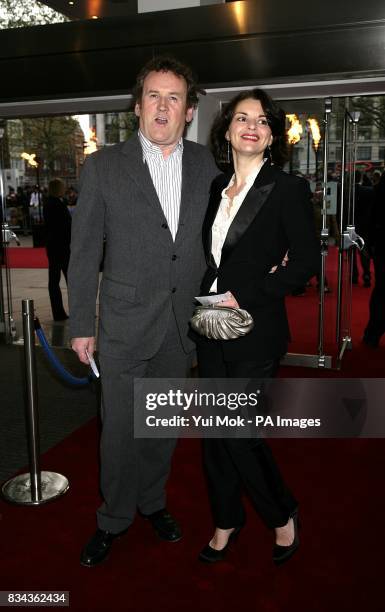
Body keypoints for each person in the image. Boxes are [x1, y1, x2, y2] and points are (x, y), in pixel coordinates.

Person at [68, 56, 218, 567]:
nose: (162, 106)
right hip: (123, 326)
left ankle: (153, 503)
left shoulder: (207, 168)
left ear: (189, 110)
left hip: (182, 326)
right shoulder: (104, 167)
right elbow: (84, 252)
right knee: (119, 431)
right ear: (137, 108)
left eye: (173, 97)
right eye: (153, 95)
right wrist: (81, 327)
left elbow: (224, 243)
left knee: (163, 425)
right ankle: (113, 518)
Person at [195, 89, 319, 565]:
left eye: (263, 120)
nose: (252, 125)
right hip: (209, 324)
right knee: (213, 431)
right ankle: (226, 520)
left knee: (239, 432)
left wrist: (245, 294)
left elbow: (306, 260)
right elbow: (216, 260)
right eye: (242, 118)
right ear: (226, 129)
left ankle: (282, 513)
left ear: (271, 136)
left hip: (256, 327)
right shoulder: (215, 188)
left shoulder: (287, 189)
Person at [43, 178, 71, 321]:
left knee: (55, 281)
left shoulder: (51, 203)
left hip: (54, 247)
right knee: (67, 280)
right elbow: (64, 227)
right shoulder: (56, 204)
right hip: (61, 247)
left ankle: (58, 312)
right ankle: (63, 311)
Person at [363, 171, 385, 347]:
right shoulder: (378, 190)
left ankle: (373, 334)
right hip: (381, 245)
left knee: (381, 291)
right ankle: (373, 333)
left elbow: (370, 218)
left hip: (381, 246)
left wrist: (369, 245)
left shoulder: (378, 190)